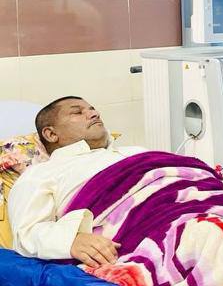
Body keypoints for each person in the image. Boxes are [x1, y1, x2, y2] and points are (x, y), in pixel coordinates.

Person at [9, 97, 145, 263]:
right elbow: (26, 234)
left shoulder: (137, 152)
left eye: (92, 109)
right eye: (77, 112)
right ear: (51, 134)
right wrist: (71, 240)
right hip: (136, 241)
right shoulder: (40, 174)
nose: (95, 114)